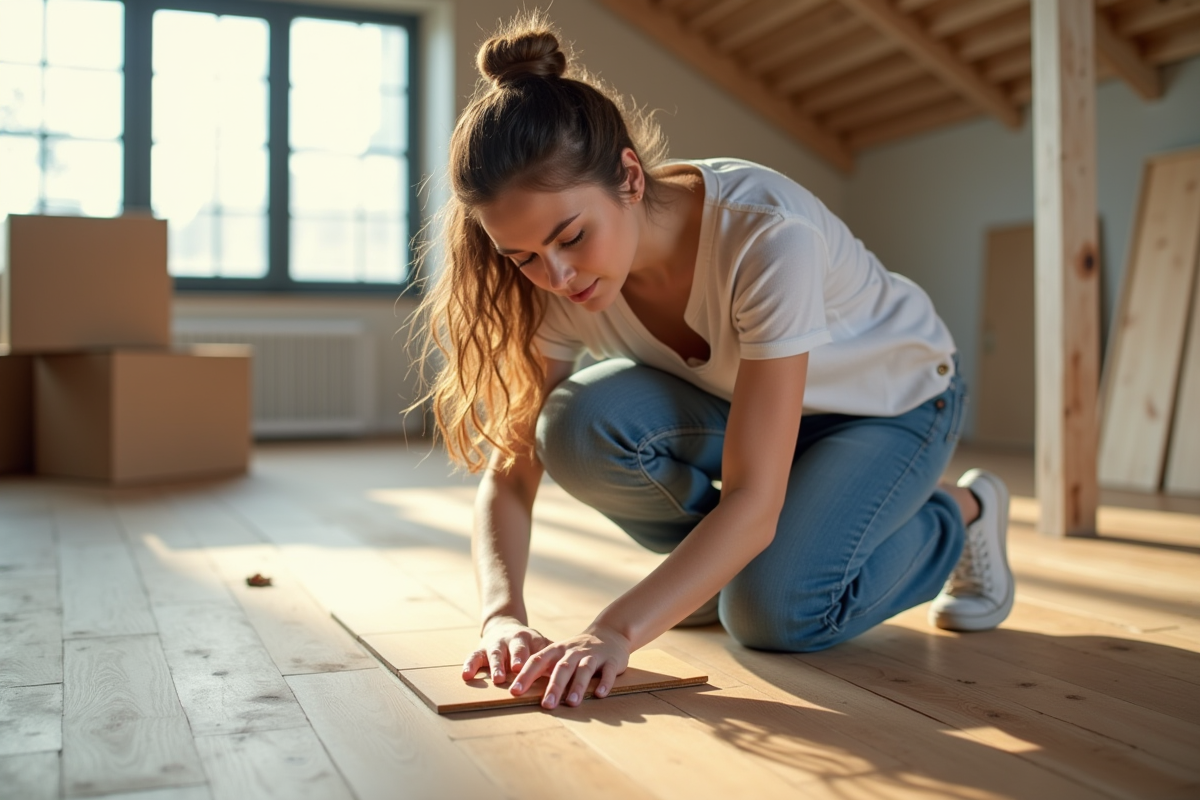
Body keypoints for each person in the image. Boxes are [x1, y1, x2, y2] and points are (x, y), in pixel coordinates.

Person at [412, 12, 1014, 711]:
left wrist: (613, 631)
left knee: (776, 615)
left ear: (629, 178)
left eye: (572, 236)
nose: (558, 275)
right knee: (571, 425)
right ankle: (725, 571)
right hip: (742, 410)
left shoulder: (765, 236)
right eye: (523, 259)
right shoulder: (554, 280)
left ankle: (961, 512)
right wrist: (501, 615)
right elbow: (513, 472)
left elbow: (755, 501)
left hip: (891, 405)